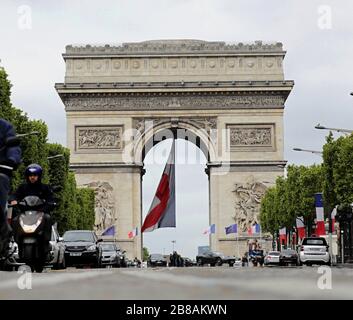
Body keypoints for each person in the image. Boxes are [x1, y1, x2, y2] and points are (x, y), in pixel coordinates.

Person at [11, 164, 54, 254]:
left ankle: (46, 241)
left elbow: (50, 199)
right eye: (30, 175)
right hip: (25, 213)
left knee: (48, 218)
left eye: (35, 175)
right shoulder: (22, 187)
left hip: (41, 212)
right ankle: (18, 241)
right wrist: (13, 200)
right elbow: (14, 195)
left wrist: (50, 204)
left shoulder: (45, 188)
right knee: (15, 220)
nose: (32, 177)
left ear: (39, 176)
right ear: (27, 176)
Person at [0, 118, 21, 252]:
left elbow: (13, 147)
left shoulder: (4, 126)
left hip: (1, 167)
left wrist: (12, 160)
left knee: (1, 179)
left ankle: (2, 225)